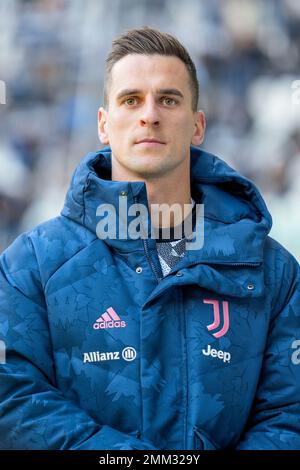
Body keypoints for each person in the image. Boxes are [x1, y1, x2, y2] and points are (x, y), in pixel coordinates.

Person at [0, 26, 299, 451]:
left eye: (169, 99)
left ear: (198, 125)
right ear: (104, 124)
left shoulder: (274, 273)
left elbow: (290, 415)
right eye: (131, 99)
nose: (150, 115)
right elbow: (12, 399)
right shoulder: (30, 265)